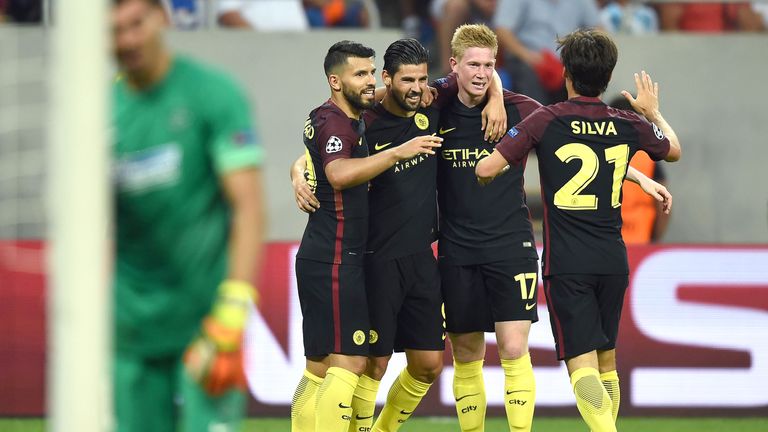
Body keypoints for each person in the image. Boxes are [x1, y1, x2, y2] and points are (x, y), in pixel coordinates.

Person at [290, 38, 508, 432]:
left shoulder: (430, 98)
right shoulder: (364, 118)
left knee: (427, 365)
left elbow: (474, 73)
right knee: (366, 364)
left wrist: (497, 97)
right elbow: (325, 154)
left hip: (422, 258)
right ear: (387, 81)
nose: (417, 89)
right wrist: (297, 172)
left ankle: (383, 428)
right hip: (374, 258)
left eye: (423, 80)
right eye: (407, 80)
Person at [476, 29, 681, 432]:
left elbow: (486, 169)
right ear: (607, 78)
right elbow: (672, 149)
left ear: (566, 73)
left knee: (581, 365)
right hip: (612, 259)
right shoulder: (626, 122)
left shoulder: (547, 119)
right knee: (607, 360)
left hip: (567, 263)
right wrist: (652, 113)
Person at [111, 0, 265, 431]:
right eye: (114, 31)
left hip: (206, 324)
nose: (127, 40)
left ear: (162, 16)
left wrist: (234, 307)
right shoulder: (100, 115)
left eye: (135, 24)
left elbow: (248, 205)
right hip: (132, 331)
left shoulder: (212, 94)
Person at [290, 40, 443, 432]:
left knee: (322, 367)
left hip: (341, 256)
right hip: (338, 256)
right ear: (335, 81)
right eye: (362, 74)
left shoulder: (346, 116)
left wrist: (298, 169)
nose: (370, 82)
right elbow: (337, 170)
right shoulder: (339, 122)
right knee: (350, 363)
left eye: (371, 72)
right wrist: (398, 152)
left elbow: (317, 156)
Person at [435, 23, 542, 432]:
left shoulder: (523, 109)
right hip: (457, 248)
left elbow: (574, 139)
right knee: (466, 353)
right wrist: (302, 167)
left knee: (514, 348)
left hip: (511, 244)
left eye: (489, 65)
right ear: (454, 65)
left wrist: (640, 177)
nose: (480, 73)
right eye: (473, 64)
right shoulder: (434, 107)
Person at [493, 0, 601, 105]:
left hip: (567, 60)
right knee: (527, 75)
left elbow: (598, 31)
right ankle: (535, 120)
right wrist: (528, 56)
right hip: (527, 57)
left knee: (587, 72)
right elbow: (502, 30)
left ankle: (575, 120)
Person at [609, 96, 670, 244]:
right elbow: (664, 202)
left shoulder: (599, 150)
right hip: (640, 239)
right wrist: (655, 241)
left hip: (606, 239)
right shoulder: (647, 156)